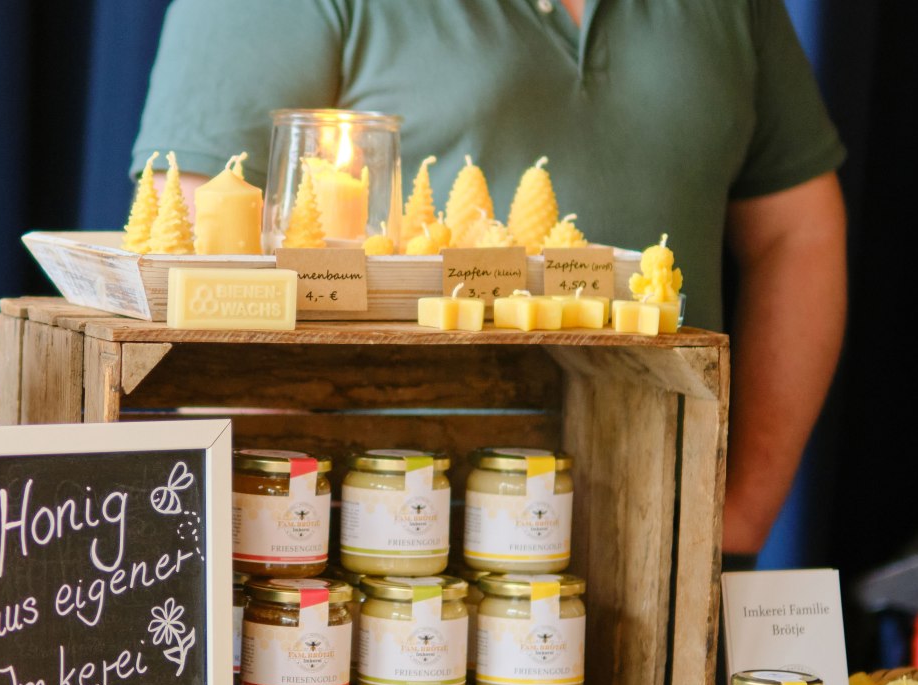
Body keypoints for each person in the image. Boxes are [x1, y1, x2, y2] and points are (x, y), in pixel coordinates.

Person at [132, 0, 846, 564]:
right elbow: (208, 259)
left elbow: (798, 232)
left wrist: (744, 507)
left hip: (666, 541)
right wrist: (288, 537)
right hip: (382, 547)